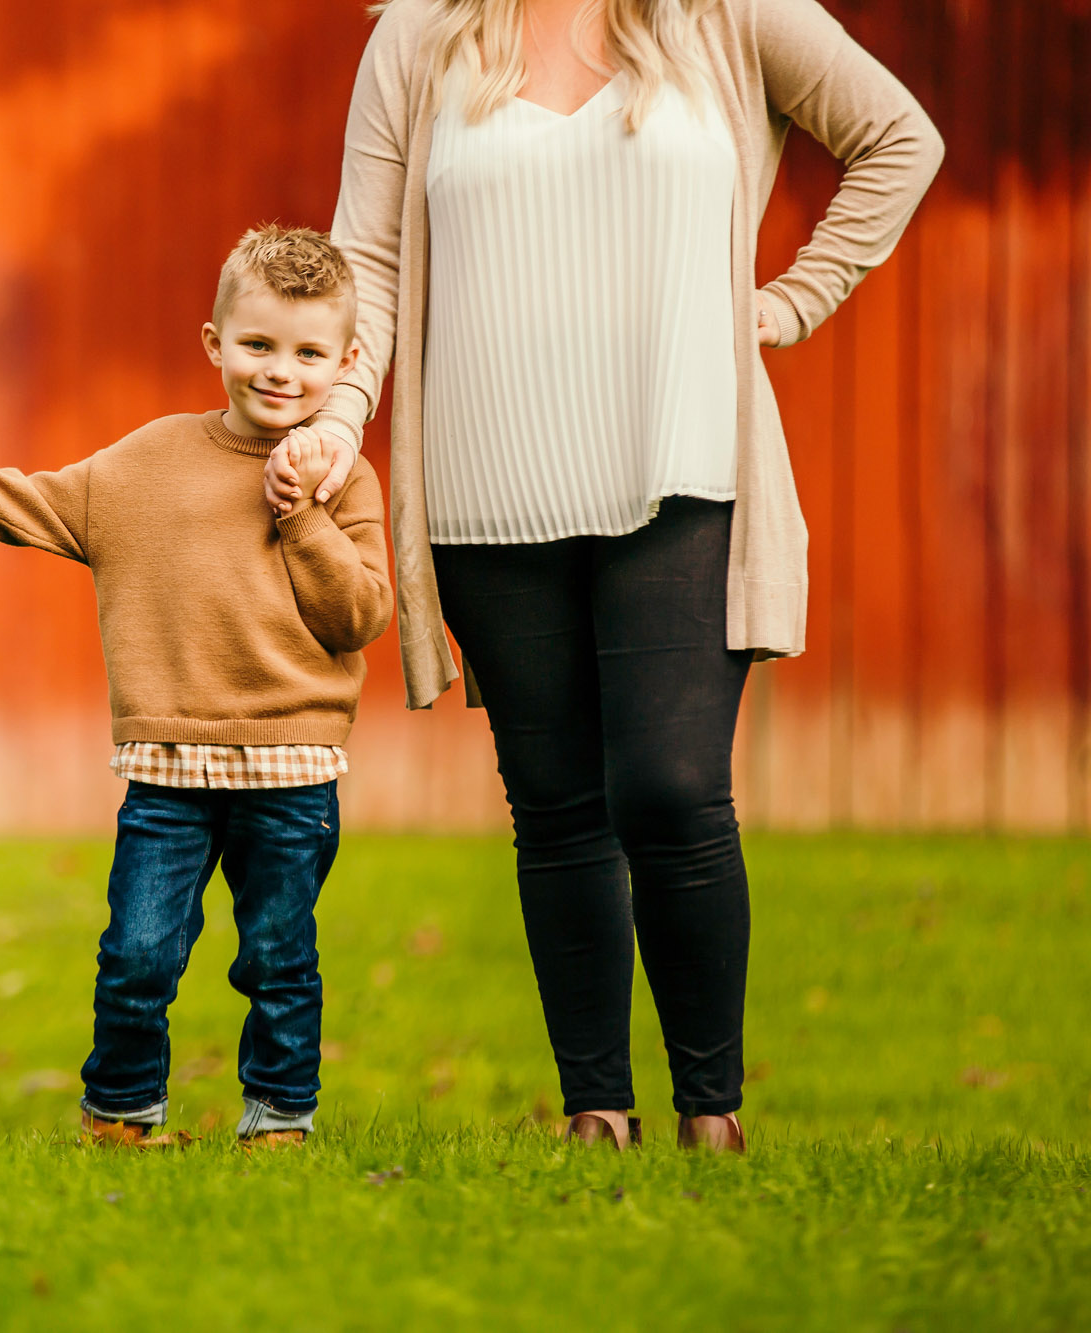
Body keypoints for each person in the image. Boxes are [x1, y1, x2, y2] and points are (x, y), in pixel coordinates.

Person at [268, 0, 942, 1152]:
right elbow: (366, 260)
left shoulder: (726, 13)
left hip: (681, 464)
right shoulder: (418, 34)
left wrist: (788, 301)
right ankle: (595, 1114)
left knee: (672, 789)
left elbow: (897, 138)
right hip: (485, 484)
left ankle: (709, 1114)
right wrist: (339, 413)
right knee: (558, 807)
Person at [0, 227, 393, 1146]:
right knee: (137, 953)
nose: (281, 372)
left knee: (279, 957)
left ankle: (280, 1119)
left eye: (308, 353)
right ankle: (124, 1113)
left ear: (347, 362)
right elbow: (29, 501)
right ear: (216, 345)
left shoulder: (345, 481)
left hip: (293, 772)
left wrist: (303, 517)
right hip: (167, 770)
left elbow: (359, 617)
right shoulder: (147, 463)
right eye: (258, 345)